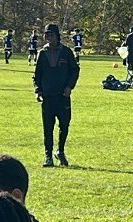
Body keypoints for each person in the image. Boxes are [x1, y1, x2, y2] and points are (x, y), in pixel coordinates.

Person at [34, 23, 80, 168]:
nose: (49, 37)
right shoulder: (42, 53)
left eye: (51, 35)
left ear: (57, 36)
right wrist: (38, 90)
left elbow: (75, 70)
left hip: (62, 96)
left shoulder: (66, 52)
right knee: (48, 128)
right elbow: (37, 74)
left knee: (64, 126)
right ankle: (48, 156)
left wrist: (69, 87)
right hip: (48, 96)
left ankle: (60, 151)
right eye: (46, 35)